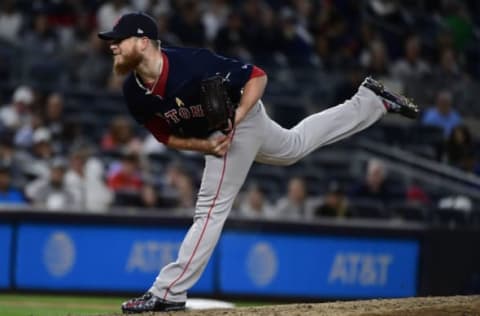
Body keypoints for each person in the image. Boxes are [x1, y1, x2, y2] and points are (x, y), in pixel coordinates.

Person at [97, 12, 419, 313]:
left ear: (142, 42)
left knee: (210, 207)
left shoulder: (192, 63)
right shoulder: (134, 91)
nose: (112, 46)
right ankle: (370, 101)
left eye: (119, 39)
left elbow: (257, 77)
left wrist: (235, 119)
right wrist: (203, 146)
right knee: (293, 146)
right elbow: (164, 136)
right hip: (220, 133)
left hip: (242, 116)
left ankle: (168, 293)